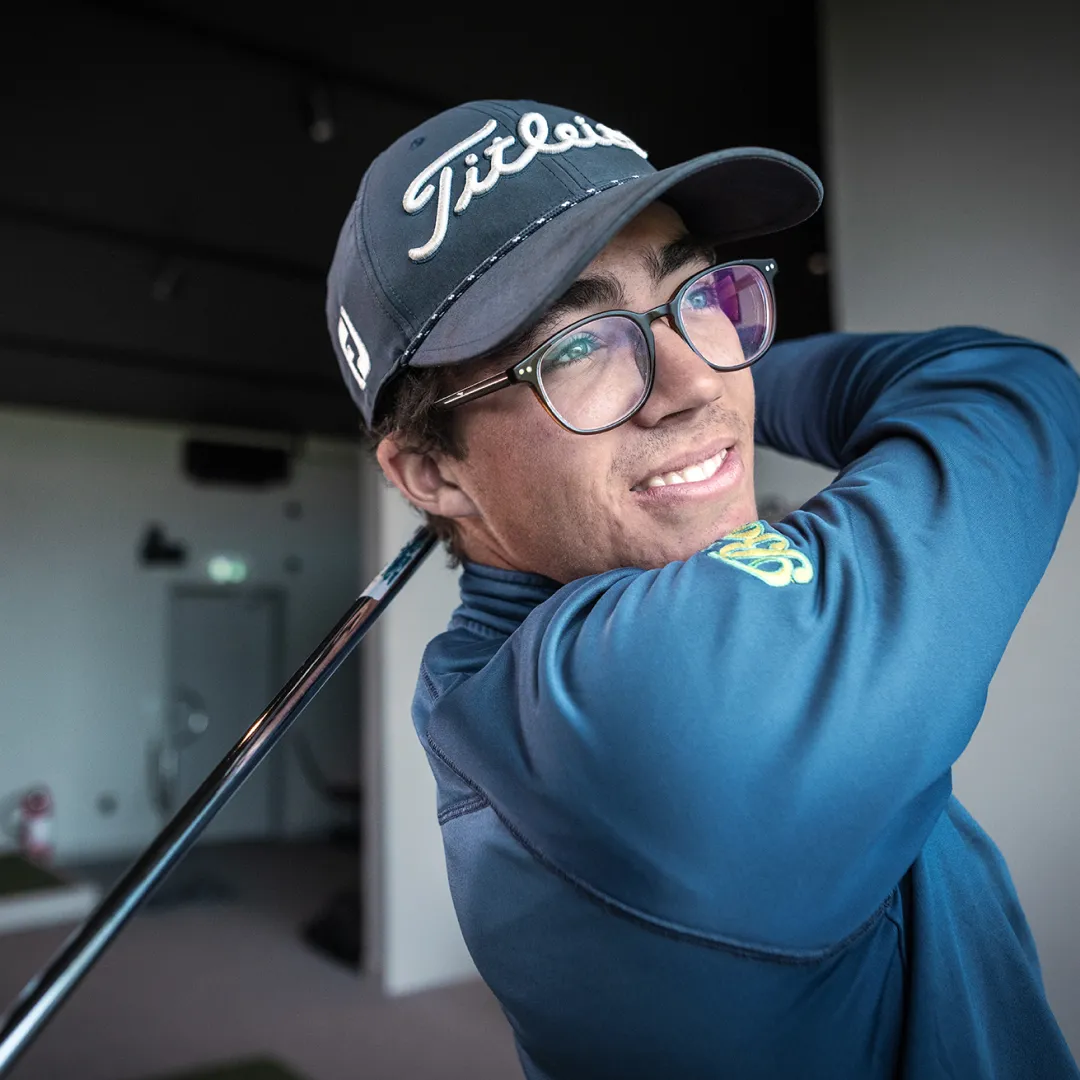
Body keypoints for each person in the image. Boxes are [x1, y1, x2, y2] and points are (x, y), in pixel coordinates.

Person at [325, 98, 1080, 1079]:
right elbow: (1004, 386)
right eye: (577, 346)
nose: (694, 383)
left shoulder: (484, 682)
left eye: (701, 294)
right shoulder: (645, 697)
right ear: (432, 473)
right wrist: (737, 391)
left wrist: (712, 372)